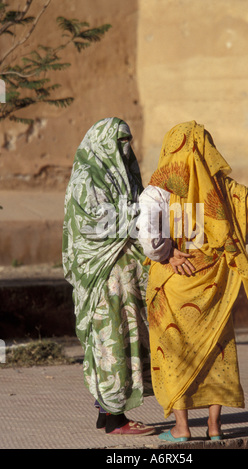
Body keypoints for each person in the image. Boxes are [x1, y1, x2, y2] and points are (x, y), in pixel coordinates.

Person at [137, 120, 248, 442]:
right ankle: (215, 427)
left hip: (173, 281)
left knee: (174, 350)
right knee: (216, 351)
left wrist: (166, 253)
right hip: (214, 284)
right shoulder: (225, 190)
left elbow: (149, 236)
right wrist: (225, 245)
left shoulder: (159, 189)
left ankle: (182, 428)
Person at [62, 117, 155, 436]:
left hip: (123, 277)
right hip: (102, 278)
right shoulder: (88, 176)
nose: (127, 148)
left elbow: (141, 208)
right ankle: (117, 419)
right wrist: (140, 214)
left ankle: (107, 412)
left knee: (125, 339)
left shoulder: (124, 173)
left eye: (128, 141)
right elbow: (94, 223)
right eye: (120, 142)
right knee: (109, 341)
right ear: (103, 143)